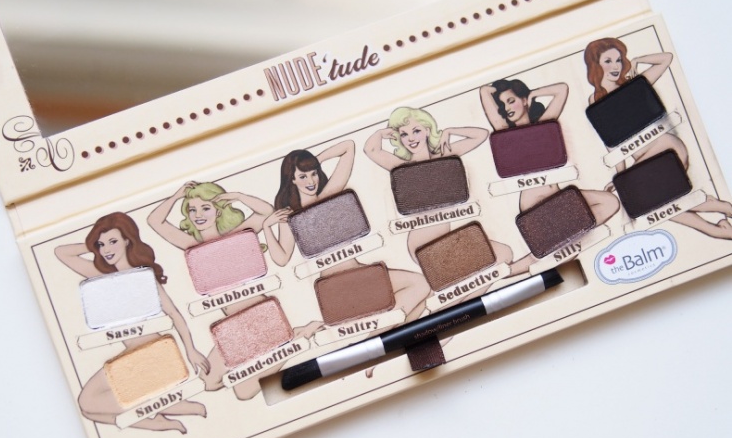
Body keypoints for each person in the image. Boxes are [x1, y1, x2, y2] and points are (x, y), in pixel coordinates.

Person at [148, 181, 318, 399]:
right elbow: (154, 221)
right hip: (232, 326)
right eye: (192, 209)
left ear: (219, 211)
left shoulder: (237, 234)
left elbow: (266, 211)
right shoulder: (191, 245)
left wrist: (237, 195)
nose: (198, 215)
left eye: (205, 208)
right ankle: (296, 340)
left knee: (243, 392)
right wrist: (176, 195)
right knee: (210, 381)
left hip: (260, 314)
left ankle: (298, 340)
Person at [55, 212, 210, 434]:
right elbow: (61, 253)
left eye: (113, 241)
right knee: (88, 410)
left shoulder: (144, 277)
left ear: (128, 240)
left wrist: (191, 350)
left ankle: (167, 406)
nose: (106, 250)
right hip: (133, 358)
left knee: (88, 403)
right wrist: (93, 245)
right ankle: (159, 415)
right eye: (101, 244)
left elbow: (174, 314)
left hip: (156, 355)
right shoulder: (101, 274)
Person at [264, 139, 430, 321]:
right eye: (303, 176)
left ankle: (381, 329)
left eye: (314, 173)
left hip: (362, 273)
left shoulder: (329, 195)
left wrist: (317, 160)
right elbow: (281, 259)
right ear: (292, 179)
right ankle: (381, 328)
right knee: (421, 287)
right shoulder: (290, 217)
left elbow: (348, 147)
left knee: (423, 290)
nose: (311, 181)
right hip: (337, 286)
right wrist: (266, 227)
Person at [584, 38, 732, 238]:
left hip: (666, 148)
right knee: (656, 206)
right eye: (608, 61)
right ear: (596, 64)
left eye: (618, 60)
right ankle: (717, 218)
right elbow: (612, 144)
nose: (615, 66)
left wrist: (637, 61)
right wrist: (621, 175)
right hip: (646, 162)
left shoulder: (634, 83)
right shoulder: (594, 100)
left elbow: (666, 58)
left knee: (647, 201)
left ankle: (716, 214)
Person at [364, 107, 526, 282]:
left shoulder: (444, 154)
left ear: (428, 131)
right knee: (502, 255)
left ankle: (512, 273)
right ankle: (520, 269)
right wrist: (380, 133)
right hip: (422, 245)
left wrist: (449, 131)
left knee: (500, 256)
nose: (411, 138)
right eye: (404, 134)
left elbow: (481, 135)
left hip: (446, 238)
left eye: (416, 131)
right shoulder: (400, 166)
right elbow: (370, 150)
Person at [480, 79, 621, 263]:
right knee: (599, 210)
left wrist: (533, 93)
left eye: (511, 101)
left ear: (524, 100)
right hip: (534, 205)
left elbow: (562, 90)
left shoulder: (545, 125)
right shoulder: (504, 132)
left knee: (611, 202)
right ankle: (558, 245)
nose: (507, 108)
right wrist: (494, 88)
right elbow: (484, 92)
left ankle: (560, 244)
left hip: (560, 198)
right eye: (502, 105)